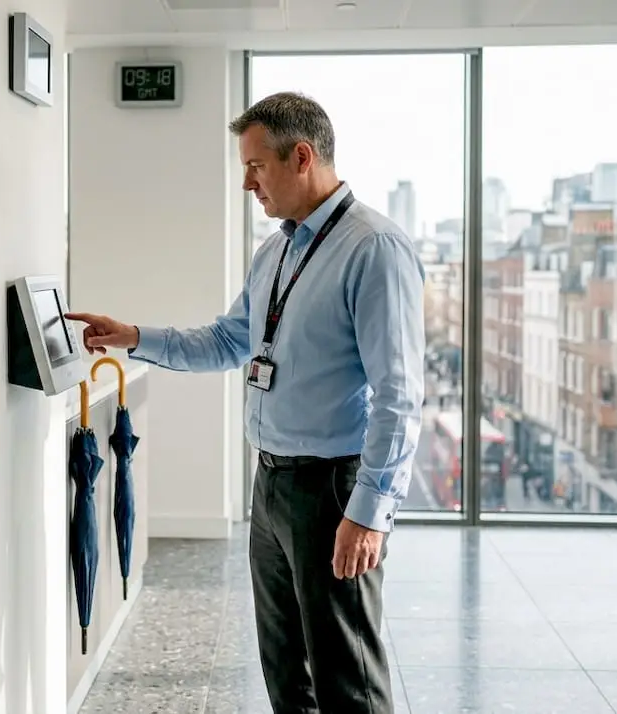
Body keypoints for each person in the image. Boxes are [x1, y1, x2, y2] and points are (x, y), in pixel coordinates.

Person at [68, 91, 425, 713]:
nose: (246, 184)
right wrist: (133, 337)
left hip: (334, 491)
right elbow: (232, 340)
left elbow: (399, 396)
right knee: (287, 672)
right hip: (273, 484)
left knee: (349, 679)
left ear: (302, 157)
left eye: (256, 167)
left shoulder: (373, 248)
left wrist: (369, 512)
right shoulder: (277, 250)